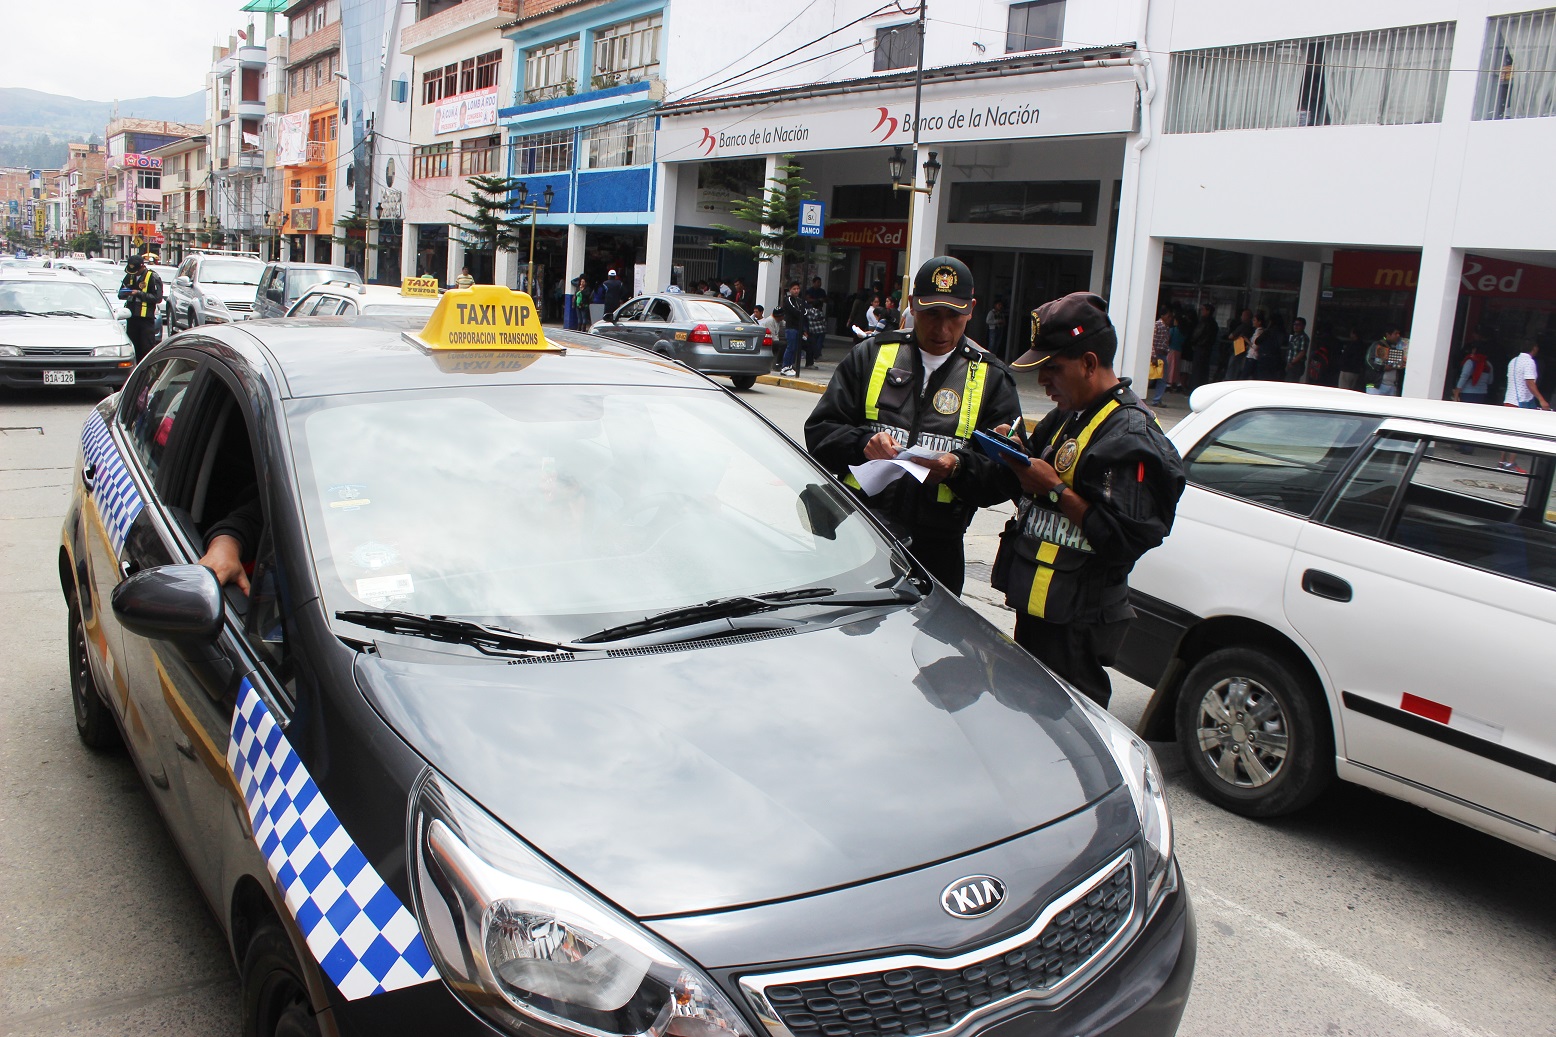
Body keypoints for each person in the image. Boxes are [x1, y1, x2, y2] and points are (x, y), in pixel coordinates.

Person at [995, 293, 1186, 707]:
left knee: (1072, 734)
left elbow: (1125, 539)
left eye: (1053, 369)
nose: (1043, 381)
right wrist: (1012, 454)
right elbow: (1031, 478)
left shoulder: (1129, 434)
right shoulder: (1070, 412)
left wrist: (1056, 489)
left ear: (1088, 363)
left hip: (1078, 621)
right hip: (1042, 608)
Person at [805, 256, 1023, 594]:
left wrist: (957, 467)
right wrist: (862, 443)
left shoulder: (992, 377)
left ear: (972, 310)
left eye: (954, 316)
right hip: (858, 534)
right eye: (931, 314)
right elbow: (819, 433)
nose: (942, 329)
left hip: (937, 550)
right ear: (911, 306)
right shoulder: (870, 355)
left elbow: (1005, 478)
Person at [118, 253, 163, 362]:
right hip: (132, 317)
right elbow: (120, 294)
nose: (134, 273)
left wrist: (138, 293)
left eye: (136, 270)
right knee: (133, 348)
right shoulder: (130, 275)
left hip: (146, 319)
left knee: (146, 348)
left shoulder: (152, 277)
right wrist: (126, 292)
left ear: (142, 266)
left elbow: (157, 298)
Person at [776, 281, 807, 376]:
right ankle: (785, 367)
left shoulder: (799, 301)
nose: (796, 291)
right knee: (790, 347)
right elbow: (795, 311)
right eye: (794, 289)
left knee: (794, 348)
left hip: (798, 328)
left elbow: (805, 312)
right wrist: (801, 313)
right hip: (791, 327)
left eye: (797, 289)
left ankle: (789, 366)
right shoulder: (788, 299)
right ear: (790, 290)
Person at [1366, 326, 1408, 395]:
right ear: (1388, 334)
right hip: (1377, 386)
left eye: (1399, 333)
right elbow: (1369, 361)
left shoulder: (1399, 347)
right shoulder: (1378, 345)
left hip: (1392, 386)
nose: (1398, 336)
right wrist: (1383, 367)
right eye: (1396, 333)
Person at [1188, 302, 1218, 390]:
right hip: (1208, 349)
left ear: (1208, 311)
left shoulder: (1204, 321)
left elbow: (1197, 334)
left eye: (1203, 310)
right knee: (1204, 369)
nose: (1201, 312)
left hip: (1200, 347)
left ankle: (1194, 387)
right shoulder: (1214, 323)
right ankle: (1202, 386)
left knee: (1197, 369)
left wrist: (1193, 342)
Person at [1453, 341, 1494, 405]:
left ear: (1474, 350)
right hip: (1482, 394)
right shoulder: (1488, 364)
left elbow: (1464, 377)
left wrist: (1456, 392)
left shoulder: (1470, 362)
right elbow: (1490, 381)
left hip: (1467, 393)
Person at [1148, 306, 1173, 405]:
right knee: (1151, 377)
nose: (1170, 318)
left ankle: (1157, 399)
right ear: (1162, 315)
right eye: (1168, 316)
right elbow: (1152, 341)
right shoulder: (1157, 325)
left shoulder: (1166, 327)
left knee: (1162, 378)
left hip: (1163, 355)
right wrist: (1153, 355)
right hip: (1156, 355)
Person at [1285, 317, 1311, 382]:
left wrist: (1292, 362)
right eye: (1294, 324)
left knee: (1292, 382)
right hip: (1290, 364)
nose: (1295, 326)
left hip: (1296, 365)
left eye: (1298, 325)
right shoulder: (1293, 336)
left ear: (1303, 326)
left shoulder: (1303, 337)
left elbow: (1302, 352)